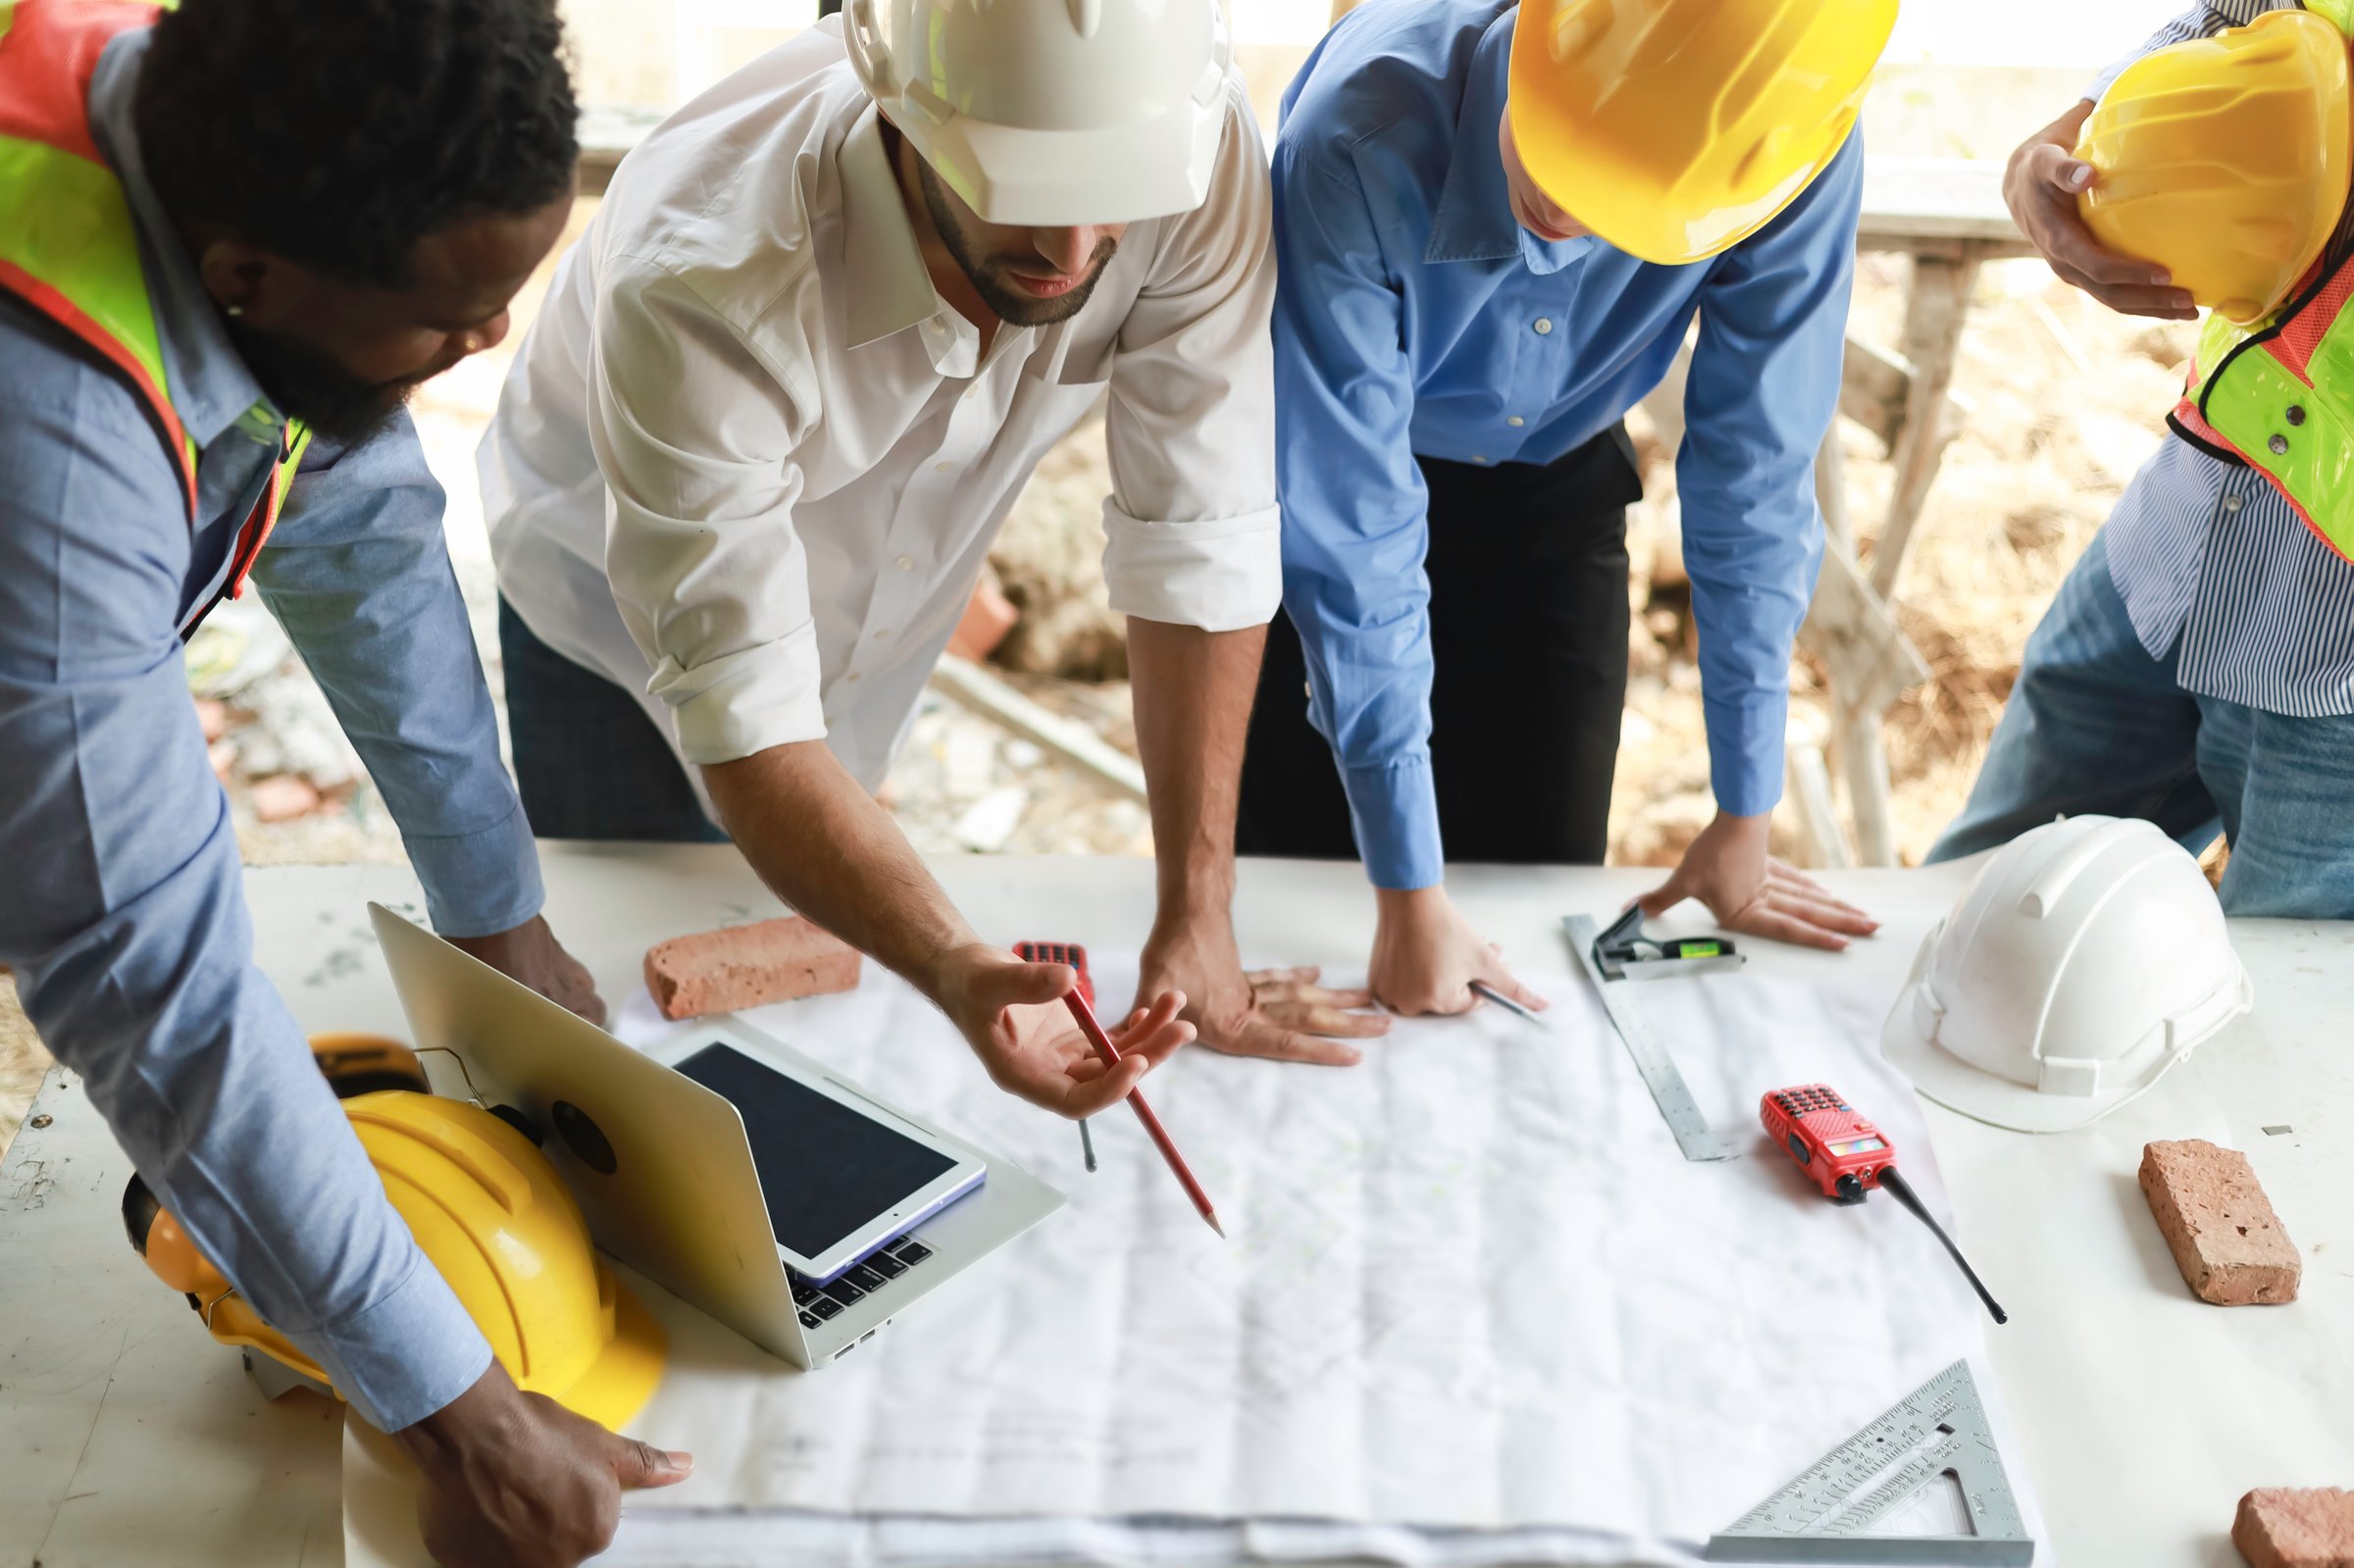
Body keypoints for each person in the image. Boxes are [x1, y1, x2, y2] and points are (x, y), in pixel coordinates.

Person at [0, 2, 681, 1563]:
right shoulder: (46, 450)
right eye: (450, 318)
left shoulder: (238, 142)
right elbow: (133, 963)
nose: (491, 339)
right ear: (246, 278)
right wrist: (461, 1411)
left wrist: (500, 918)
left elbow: (356, 524)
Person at [479, 0, 1386, 1086]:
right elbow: (750, 713)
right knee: (647, 1003)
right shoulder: (703, 271)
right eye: (1022, 196)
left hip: (890, 586)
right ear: (894, 109)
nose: (1071, 251)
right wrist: (954, 965)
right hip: (609, 607)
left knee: (817, 949)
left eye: (1113, 208)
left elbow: (1202, 536)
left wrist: (1199, 914)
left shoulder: (1189, 145)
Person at [1239, 0, 1888, 1015]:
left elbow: (1755, 471)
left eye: (1630, 193)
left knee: (1536, 896)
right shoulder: (1357, 128)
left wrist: (1744, 811)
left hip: (1561, 493)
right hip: (1329, 488)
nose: (1567, 208)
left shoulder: (1788, 150)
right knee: (1302, 906)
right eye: (1568, 142)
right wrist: (1409, 898)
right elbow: (1352, 531)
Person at [1931, 0, 2354, 918]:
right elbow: (2246, 15)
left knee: (2285, 1017)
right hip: (2193, 514)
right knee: (1969, 915)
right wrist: (2090, 127)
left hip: (2338, 649)